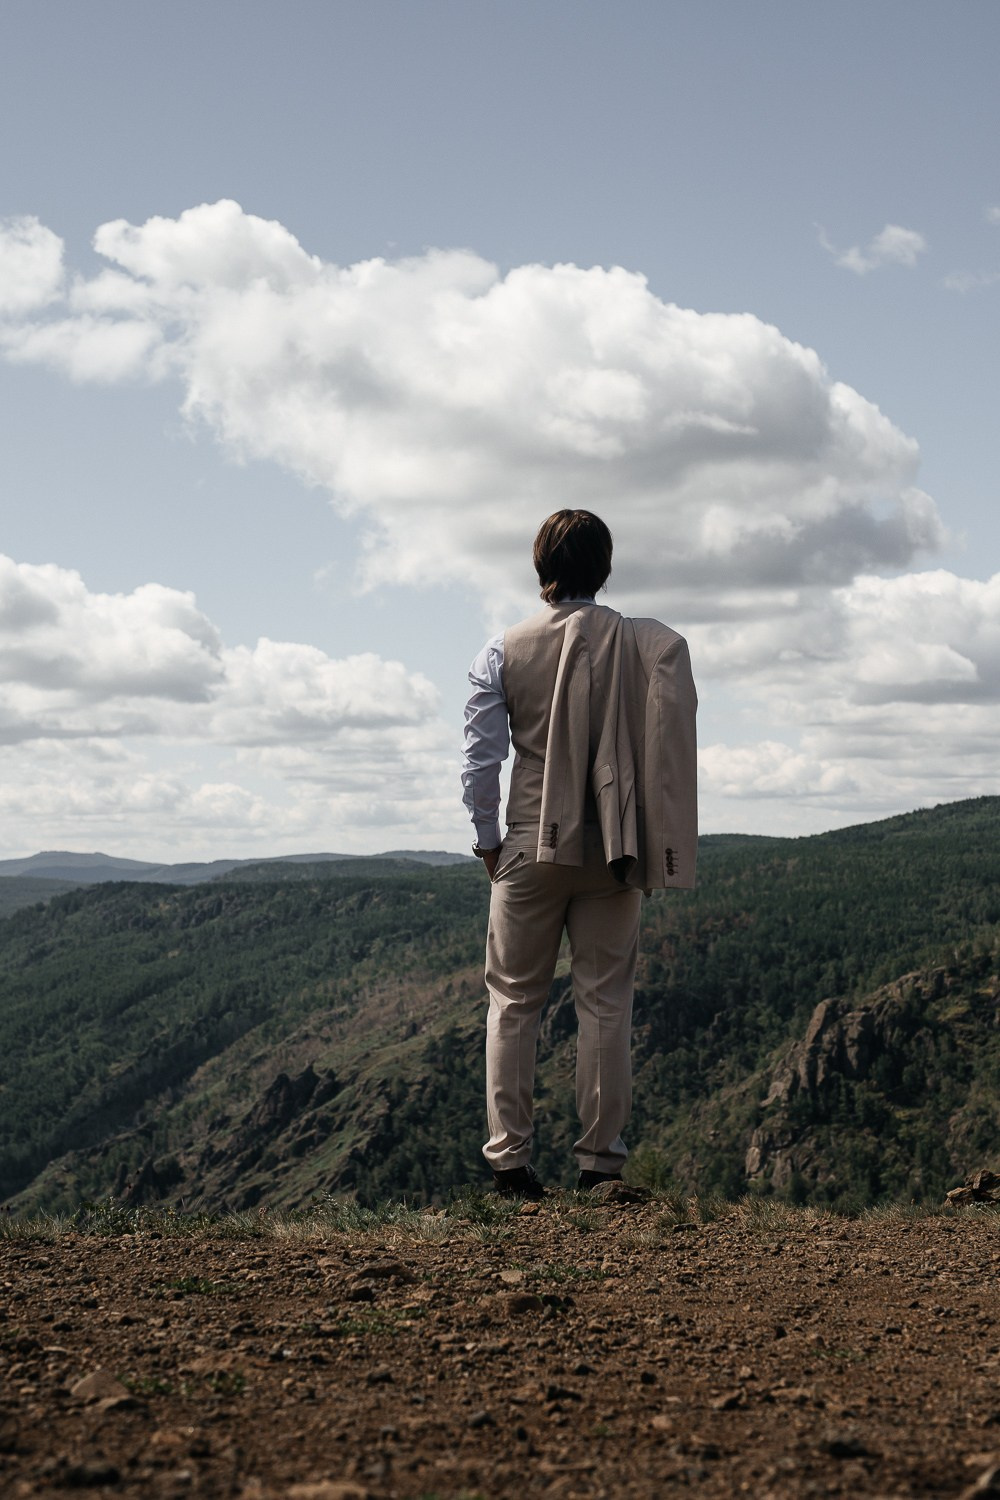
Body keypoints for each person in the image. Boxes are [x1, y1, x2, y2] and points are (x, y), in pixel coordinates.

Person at [461, 510, 698, 1198]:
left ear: (542, 568)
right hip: (617, 845)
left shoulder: (501, 649)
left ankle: (510, 1167)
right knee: (605, 1003)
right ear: (605, 568)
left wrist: (487, 841)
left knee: (512, 1002)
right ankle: (600, 1166)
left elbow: (481, 760)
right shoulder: (642, 644)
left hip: (530, 843)